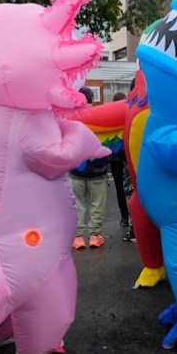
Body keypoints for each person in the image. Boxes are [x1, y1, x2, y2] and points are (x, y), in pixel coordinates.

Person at [70, 87, 109, 249]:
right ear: (92, 99)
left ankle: (77, 237)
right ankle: (95, 235)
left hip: (75, 170)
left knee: (77, 204)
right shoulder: (102, 116)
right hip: (98, 170)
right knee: (96, 204)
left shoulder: (70, 118)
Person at [108, 92, 130, 227]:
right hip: (126, 157)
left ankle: (124, 217)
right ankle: (131, 218)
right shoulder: (129, 113)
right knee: (131, 189)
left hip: (114, 158)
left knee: (119, 188)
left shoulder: (109, 116)